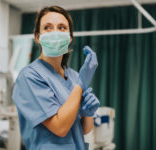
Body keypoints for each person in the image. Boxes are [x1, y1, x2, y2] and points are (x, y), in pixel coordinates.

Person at [12, 6, 100, 150]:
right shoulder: (29, 76)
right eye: (47, 27)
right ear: (37, 37)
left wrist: (88, 113)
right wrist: (81, 85)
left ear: (70, 37)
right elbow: (60, 128)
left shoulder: (74, 76)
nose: (55, 33)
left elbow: (83, 130)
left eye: (62, 27)